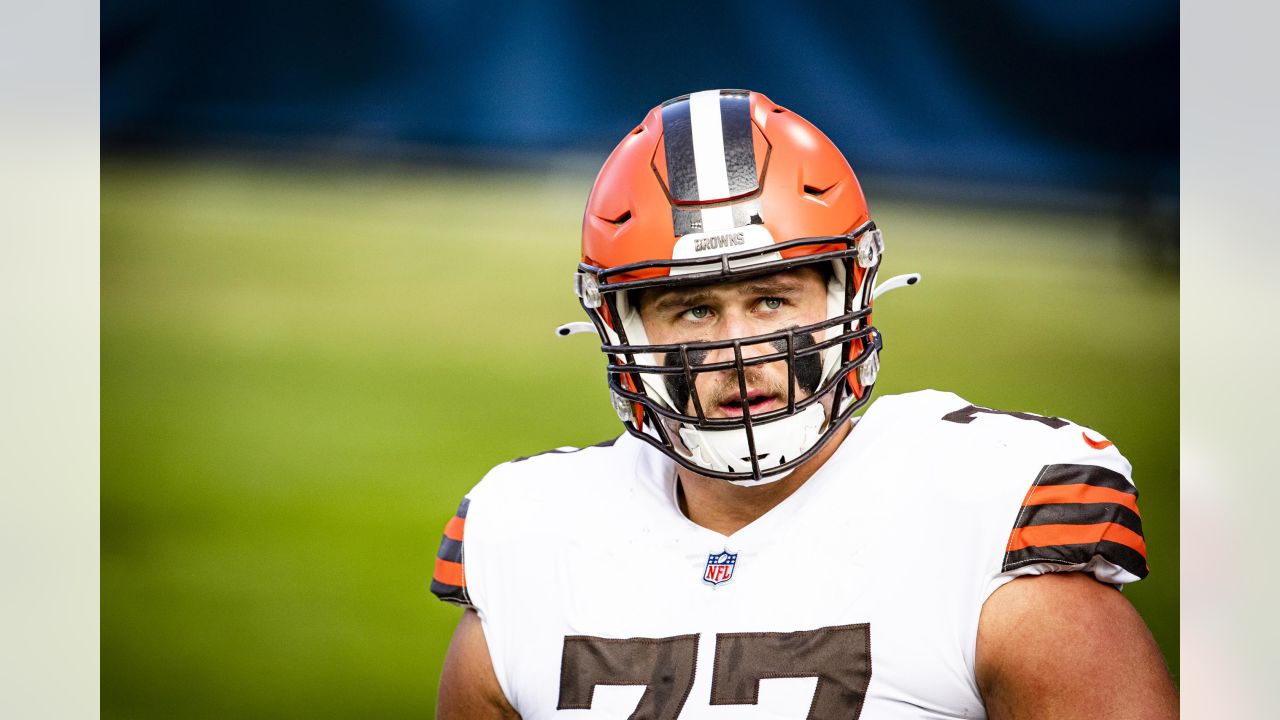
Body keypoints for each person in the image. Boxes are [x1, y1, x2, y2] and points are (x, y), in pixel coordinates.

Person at [430, 89, 1178, 719]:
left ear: (848, 293)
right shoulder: (528, 533)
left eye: (771, 299)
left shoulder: (985, 509)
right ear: (620, 327)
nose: (740, 348)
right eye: (691, 310)